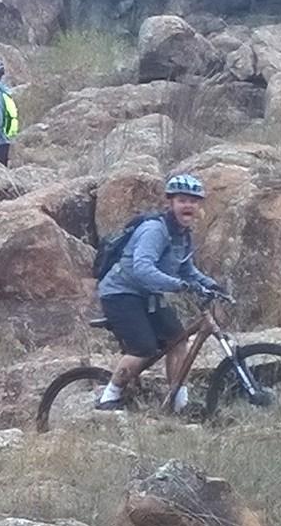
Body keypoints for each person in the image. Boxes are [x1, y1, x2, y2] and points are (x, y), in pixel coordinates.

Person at [93, 174, 224, 412]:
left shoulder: (182, 234)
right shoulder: (155, 230)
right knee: (143, 347)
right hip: (121, 292)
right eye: (182, 200)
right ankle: (109, 396)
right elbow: (143, 268)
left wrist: (211, 285)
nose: (188, 206)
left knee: (178, 340)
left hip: (149, 295)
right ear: (170, 203)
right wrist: (178, 285)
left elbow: (186, 268)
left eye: (193, 201)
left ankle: (178, 403)